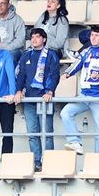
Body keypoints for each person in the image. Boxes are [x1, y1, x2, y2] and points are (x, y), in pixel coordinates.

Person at [60, 26, 99, 152]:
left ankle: (98, 162)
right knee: (65, 112)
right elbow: (76, 64)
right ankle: (75, 142)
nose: (93, 38)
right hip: (84, 95)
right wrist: (67, 73)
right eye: (91, 35)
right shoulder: (86, 51)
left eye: (96, 35)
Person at [12, 28, 61, 165]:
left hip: (45, 99)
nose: (34, 39)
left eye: (37, 37)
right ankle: (37, 162)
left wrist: (50, 91)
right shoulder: (26, 54)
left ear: (44, 39)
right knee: (32, 134)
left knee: (47, 133)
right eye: (32, 37)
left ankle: (49, 162)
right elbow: (21, 74)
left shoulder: (51, 54)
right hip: (29, 99)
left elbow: (54, 74)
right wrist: (18, 90)